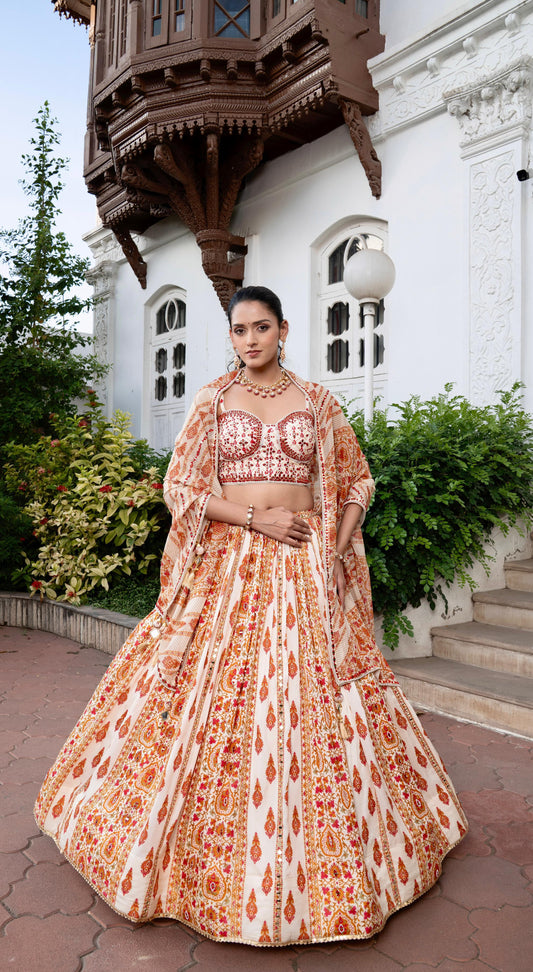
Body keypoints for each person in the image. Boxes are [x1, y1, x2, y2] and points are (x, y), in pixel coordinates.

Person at [35, 286, 467, 945]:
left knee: (314, 696)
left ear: (283, 329)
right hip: (230, 561)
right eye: (239, 330)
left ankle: (334, 865)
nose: (250, 340)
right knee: (204, 694)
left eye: (261, 327)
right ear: (231, 335)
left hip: (301, 562)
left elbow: (356, 481)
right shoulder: (211, 399)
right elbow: (180, 486)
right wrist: (253, 518)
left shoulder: (317, 401)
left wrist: (338, 538)